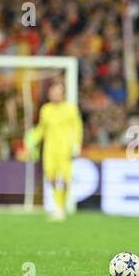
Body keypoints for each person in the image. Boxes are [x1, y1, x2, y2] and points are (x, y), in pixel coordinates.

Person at [27, 82, 83, 221]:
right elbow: (42, 128)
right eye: (53, 92)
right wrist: (32, 138)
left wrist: (76, 144)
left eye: (58, 91)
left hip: (65, 148)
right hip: (49, 149)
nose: (55, 94)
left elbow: (77, 128)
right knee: (51, 178)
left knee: (65, 179)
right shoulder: (45, 109)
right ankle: (58, 207)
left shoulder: (70, 109)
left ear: (62, 94)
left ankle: (60, 206)